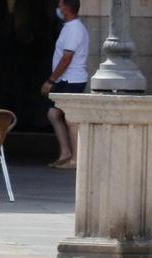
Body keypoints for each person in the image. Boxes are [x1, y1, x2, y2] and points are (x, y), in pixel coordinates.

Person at [42, 0, 89, 169]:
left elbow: (66, 58)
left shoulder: (74, 29)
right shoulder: (69, 27)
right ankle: (66, 153)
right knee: (54, 114)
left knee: (70, 118)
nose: (58, 8)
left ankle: (75, 158)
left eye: (60, 5)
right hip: (67, 79)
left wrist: (51, 80)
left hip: (72, 79)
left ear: (67, 8)